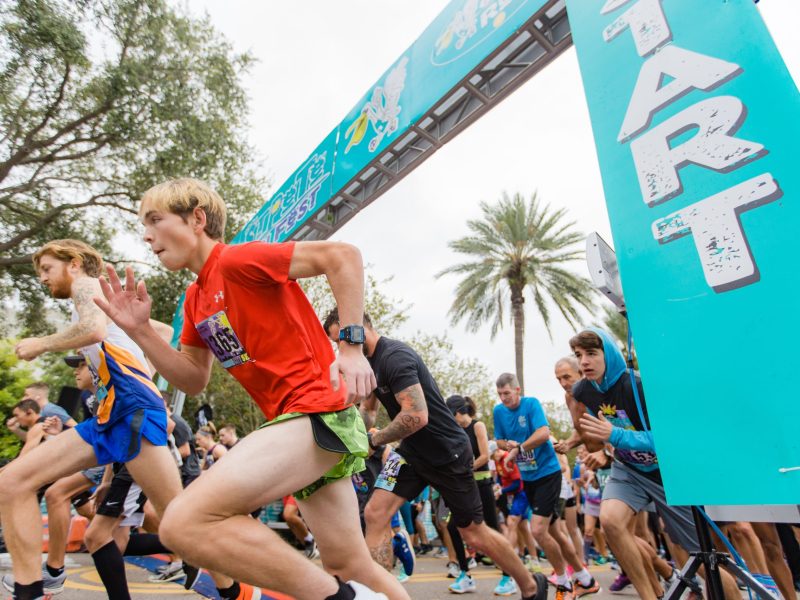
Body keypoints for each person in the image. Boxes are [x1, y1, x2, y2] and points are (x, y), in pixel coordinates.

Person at [95, 178, 403, 600]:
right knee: (348, 563)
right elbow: (192, 376)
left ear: (197, 219)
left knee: (184, 522)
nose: (146, 235)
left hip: (317, 411)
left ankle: (331, 599)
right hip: (298, 424)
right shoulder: (194, 299)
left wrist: (349, 349)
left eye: (155, 220)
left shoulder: (238, 261)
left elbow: (342, 256)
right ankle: (346, 590)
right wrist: (141, 331)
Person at [0, 239, 187, 600]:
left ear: (73, 264)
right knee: (13, 483)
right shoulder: (99, 303)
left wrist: (41, 343)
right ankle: (30, 590)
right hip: (109, 416)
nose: (41, 278)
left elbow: (95, 331)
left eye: (46, 269)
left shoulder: (87, 286)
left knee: (184, 524)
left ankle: (236, 591)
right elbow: (161, 333)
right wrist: (141, 369)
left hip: (132, 410)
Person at [323, 309, 548, 600]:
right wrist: (351, 425)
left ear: (358, 329)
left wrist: (377, 439)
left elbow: (416, 415)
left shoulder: (395, 358)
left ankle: (531, 586)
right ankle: (379, 595)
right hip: (411, 453)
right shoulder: (368, 364)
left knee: (473, 533)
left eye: (339, 340)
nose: (338, 348)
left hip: (447, 454)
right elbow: (369, 410)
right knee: (375, 513)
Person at [569, 327, 742, 600]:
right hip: (628, 470)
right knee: (611, 521)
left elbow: (669, 438)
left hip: (666, 474)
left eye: (591, 353)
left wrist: (615, 436)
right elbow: (596, 431)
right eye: (579, 355)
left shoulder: (638, 385)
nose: (584, 362)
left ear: (610, 354)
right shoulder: (582, 391)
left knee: (703, 559)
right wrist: (601, 446)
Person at [494, 373, 599, 600]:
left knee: (538, 530)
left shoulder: (531, 405)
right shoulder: (498, 412)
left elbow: (543, 434)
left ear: (518, 390)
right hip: (528, 479)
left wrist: (519, 448)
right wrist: (508, 445)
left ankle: (563, 582)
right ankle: (585, 579)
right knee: (555, 533)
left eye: (507, 394)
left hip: (548, 474)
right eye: (500, 394)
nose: (504, 398)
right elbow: (500, 439)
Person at [446, 394, 518, 596]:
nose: (451, 420)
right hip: (464, 484)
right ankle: (465, 575)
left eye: (452, 416)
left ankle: (508, 576)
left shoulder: (477, 426)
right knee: (452, 526)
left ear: (460, 412)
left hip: (482, 482)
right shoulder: (455, 430)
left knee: (492, 528)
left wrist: (465, 469)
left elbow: (485, 456)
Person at [6, 383, 76, 442]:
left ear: (37, 397)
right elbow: (32, 440)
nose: (23, 398)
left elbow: (76, 427)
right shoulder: (35, 414)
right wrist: (15, 429)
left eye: (26, 395)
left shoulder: (50, 409)